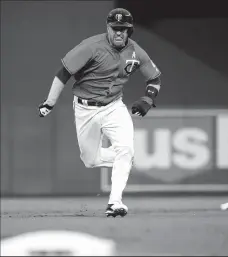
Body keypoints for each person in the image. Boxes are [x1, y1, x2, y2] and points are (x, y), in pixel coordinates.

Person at [38, 8, 161, 217]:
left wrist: (148, 98)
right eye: (115, 28)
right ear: (108, 28)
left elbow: (155, 79)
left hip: (114, 106)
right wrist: (49, 103)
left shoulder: (136, 52)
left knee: (125, 148)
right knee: (90, 160)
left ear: (129, 30)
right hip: (85, 109)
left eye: (124, 29)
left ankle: (115, 203)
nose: (119, 32)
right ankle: (126, 157)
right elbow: (63, 74)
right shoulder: (91, 46)